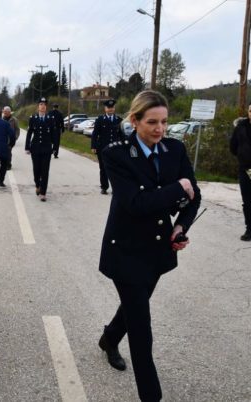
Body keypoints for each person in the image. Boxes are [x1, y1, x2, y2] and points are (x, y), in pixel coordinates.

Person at [97, 90, 201, 402]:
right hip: (125, 249)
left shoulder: (174, 149)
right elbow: (136, 203)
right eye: (152, 122)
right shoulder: (116, 154)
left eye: (164, 122)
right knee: (142, 328)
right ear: (135, 120)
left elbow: (194, 196)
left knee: (134, 305)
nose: (160, 129)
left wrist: (181, 226)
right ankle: (151, 396)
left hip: (157, 249)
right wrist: (178, 187)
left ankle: (109, 337)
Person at [25, 97, 56, 202]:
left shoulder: (50, 118)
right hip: (35, 148)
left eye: (44, 105)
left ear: (46, 107)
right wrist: (27, 147)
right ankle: (38, 184)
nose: (43, 106)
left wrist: (55, 147)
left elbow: (54, 134)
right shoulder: (33, 118)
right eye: (41, 104)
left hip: (46, 148)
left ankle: (43, 193)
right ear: (38, 106)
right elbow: (29, 133)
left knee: (45, 171)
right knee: (36, 170)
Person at [91, 99, 124, 194]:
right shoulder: (100, 120)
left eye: (112, 107)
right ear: (105, 108)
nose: (110, 109)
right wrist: (93, 146)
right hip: (103, 148)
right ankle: (104, 187)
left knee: (116, 169)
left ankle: (115, 187)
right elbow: (95, 134)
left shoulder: (119, 120)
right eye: (109, 107)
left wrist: (124, 146)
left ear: (114, 108)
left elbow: (122, 135)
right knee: (103, 168)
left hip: (115, 149)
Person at [230, 104, 251, 241]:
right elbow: (233, 146)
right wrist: (243, 155)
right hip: (245, 168)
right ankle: (249, 229)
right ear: (248, 112)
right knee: (247, 201)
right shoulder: (240, 127)